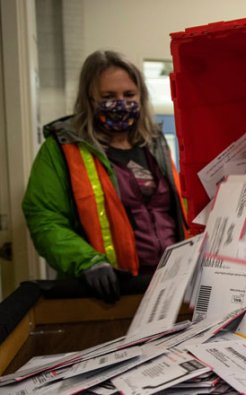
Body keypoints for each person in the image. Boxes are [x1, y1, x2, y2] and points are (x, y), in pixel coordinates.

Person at [22, 50, 187, 303]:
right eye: (109, 96)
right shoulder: (62, 148)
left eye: (129, 95)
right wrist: (87, 262)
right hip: (107, 292)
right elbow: (45, 218)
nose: (121, 103)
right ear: (90, 98)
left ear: (141, 96)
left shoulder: (154, 144)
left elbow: (176, 210)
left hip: (168, 286)